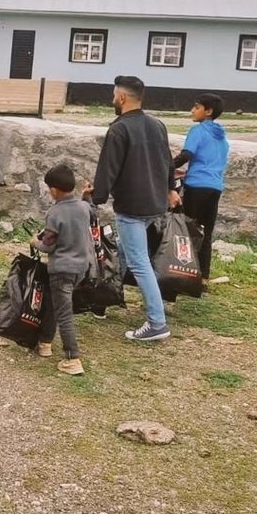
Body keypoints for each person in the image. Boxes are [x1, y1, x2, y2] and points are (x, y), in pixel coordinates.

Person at [87, 75, 179, 342]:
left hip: (132, 207)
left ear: (123, 98)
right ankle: (103, 301)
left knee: (138, 263)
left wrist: (96, 197)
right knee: (126, 253)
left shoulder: (119, 129)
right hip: (155, 203)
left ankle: (156, 322)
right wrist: (171, 188)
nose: (112, 99)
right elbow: (168, 161)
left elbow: (108, 167)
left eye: (114, 95)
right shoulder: (157, 125)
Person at [32, 164, 96, 375]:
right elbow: (91, 212)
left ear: (54, 190)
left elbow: (48, 245)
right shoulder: (83, 207)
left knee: (64, 313)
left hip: (61, 268)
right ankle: (45, 342)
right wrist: (87, 196)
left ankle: (72, 358)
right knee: (55, 302)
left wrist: (34, 242)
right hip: (81, 267)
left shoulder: (55, 213)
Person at [173, 93, 229, 282]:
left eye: (196, 107)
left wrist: (166, 166)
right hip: (215, 188)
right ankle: (203, 276)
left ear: (208, 111)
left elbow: (186, 155)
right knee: (206, 232)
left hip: (196, 187)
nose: (192, 110)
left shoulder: (198, 131)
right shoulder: (221, 135)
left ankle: (184, 272)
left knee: (188, 230)